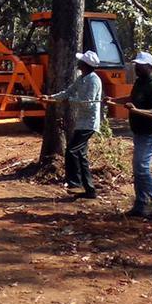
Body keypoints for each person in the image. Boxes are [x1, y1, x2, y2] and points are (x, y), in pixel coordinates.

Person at [41, 50, 103, 200]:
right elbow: (68, 92)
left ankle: (75, 184)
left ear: (86, 64)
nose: (78, 62)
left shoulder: (94, 80)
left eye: (81, 61)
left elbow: (87, 102)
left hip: (89, 123)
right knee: (81, 155)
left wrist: (70, 101)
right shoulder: (82, 78)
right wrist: (51, 98)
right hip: (81, 122)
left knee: (71, 151)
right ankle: (90, 190)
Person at [124, 51, 152, 219]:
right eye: (136, 64)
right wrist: (114, 99)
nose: (136, 67)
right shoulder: (139, 82)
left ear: (149, 67)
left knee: (142, 168)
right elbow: (131, 99)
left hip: (151, 133)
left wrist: (136, 110)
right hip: (139, 132)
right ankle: (140, 205)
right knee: (138, 169)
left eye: (140, 65)